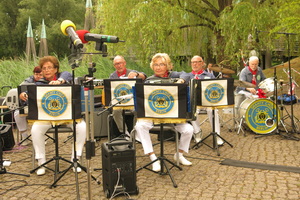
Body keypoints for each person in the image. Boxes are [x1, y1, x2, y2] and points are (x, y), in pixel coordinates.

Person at [20, 56, 86, 176]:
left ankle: (75, 160)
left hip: (66, 116)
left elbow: (67, 75)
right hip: (47, 117)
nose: (46, 70)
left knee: (81, 127)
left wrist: (60, 81)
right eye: (44, 68)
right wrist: (24, 95)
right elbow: (30, 97)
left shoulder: (64, 77)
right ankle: (41, 163)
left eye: (49, 67)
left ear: (56, 69)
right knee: (35, 129)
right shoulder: (39, 83)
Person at [135, 53, 193, 172]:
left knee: (189, 129)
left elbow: (187, 74)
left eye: (162, 64)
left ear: (168, 66)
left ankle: (179, 154)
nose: (158, 67)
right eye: (156, 64)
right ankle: (153, 158)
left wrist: (181, 80)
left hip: (172, 115)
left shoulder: (174, 76)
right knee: (139, 126)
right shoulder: (149, 81)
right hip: (153, 114)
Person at [182, 55, 223, 145]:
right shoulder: (187, 76)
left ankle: (216, 135)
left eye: (197, 62)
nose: (195, 64)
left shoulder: (209, 75)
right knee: (192, 110)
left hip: (207, 102)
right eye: (193, 62)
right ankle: (197, 132)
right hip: (194, 103)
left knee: (212, 110)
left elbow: (215, 89)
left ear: (202, 63)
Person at [109, 55, 146, 137]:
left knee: (138, 110)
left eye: (120, 63)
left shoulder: (131, 72)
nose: (119, 65)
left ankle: (135, 132)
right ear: (114, 66)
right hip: (119, 102)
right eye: (116, 64)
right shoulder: (112, 76)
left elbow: (144, 76)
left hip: (131, 101)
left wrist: (136, 74)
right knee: (115, 111)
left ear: (124, 63)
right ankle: (125, 133)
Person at [16, 66, 43, 145]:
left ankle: (42, 137)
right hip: (29, 105)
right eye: (36, 74)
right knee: (17, 114)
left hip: (42, 106)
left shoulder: (46, 81)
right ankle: (24, 137)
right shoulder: (27, 82)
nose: (38, 76)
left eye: (40, 75)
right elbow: (20, 93)